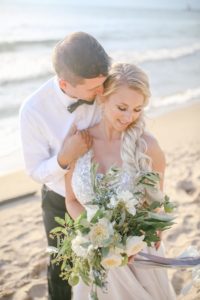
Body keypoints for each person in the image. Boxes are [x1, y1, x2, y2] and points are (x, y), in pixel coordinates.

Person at [64, 63, 176, 300]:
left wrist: (134, 240)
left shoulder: (148, 147)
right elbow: (72, 200)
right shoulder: (78, 143)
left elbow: (156, 205)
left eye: (137, 109)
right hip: (95, 254)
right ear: (102, 97)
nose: (129, 117)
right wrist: (97, 235)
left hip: (138, 256)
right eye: (122, 107)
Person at [19, 32, 111, 300]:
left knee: (104, 259)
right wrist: (64, 157)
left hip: (103, 193)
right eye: (94, 89)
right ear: (64, 83)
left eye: (103, 84)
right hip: (59, 199)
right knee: (61, 263)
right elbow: (35, 170)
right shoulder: (33, 111)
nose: (102, 92)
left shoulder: (104, 83)